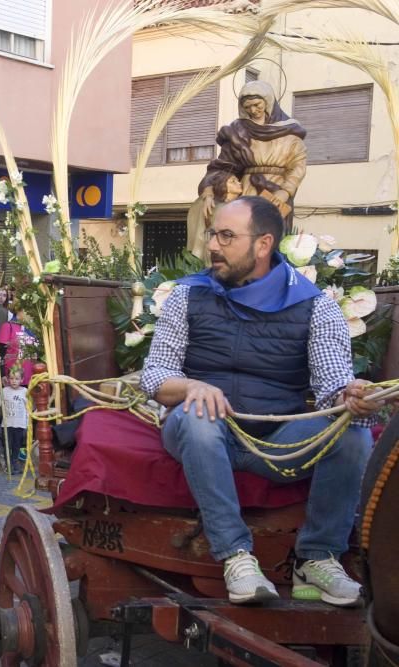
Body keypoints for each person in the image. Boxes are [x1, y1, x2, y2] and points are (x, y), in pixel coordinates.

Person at [142, 196, 374, 607]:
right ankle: (236, 556)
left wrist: (348, 395)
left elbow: (332, 384)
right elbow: (155, 375)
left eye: (227, 236)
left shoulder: (315, 306)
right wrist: (193, 386)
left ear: (264, 244)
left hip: (277, 440)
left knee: (352, 433)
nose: (213, 245)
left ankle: (318, 557)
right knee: (198, 414)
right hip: (200, 433)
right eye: (213, 233)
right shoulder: (186, 296)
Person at [192, 79, 307, 248]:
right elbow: (222, 167)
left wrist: (285, 191)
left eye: (257, 104)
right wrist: (209, 191)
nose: (253, 110)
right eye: (247, 107)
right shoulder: (238, 132)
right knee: (243, 233)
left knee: (269, 236)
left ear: (268, 101)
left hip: (276, 192)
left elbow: (298, 166)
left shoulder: (289, 131)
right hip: (246, 191)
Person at [0, 366, 28, 475]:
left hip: (20, 424)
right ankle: (8, 463)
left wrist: (28, 422)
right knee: (7, 444)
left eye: (16, 379)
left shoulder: (25, 391)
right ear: (8, 379)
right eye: (11, 378)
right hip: (7, 424)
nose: (14, 381)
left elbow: (28, 407)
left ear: (22, 380)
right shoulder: (5, 391)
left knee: (17, 445)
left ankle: (15, 461)